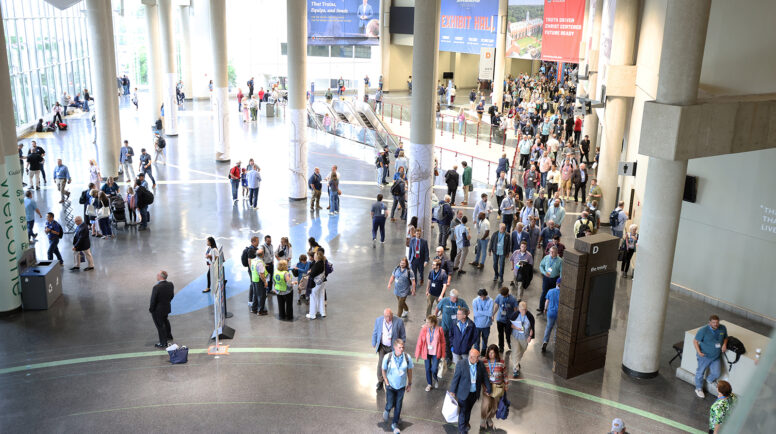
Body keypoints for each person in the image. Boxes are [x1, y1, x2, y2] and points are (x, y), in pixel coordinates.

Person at [449, 348, 492, 434]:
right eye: (477, 357)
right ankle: (462, 430)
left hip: (474, 393)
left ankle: (466, 423)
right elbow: (455, 378)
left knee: (468, 409)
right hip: (463, 393)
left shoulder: (480, 364)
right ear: (471, 357)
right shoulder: (461, 364)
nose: (479, 358)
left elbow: (485, 377)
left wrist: (489, 388)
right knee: (463, 411)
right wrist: (452, 391)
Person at [381, 338, 412, 434]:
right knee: (390, 403)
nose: (401, 349)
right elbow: (383, 369)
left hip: (401, 386)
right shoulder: (387, 357)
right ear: (394, 347)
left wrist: (409, 383)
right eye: (399, 347)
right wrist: (386, 381)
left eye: (403, 347)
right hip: (390, 386)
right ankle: (387, 409)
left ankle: (395, 424)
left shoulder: (407, 357)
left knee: (398, 405)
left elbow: (410, 371)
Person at [694, 315, 728, 398]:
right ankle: (698, 388)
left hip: (716, 356)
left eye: (717, 322)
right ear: (709, 323)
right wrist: (699, 352)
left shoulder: (722, 328)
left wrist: (724, 344)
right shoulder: (703, 330)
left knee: (717, 373)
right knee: (700, 373)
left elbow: (725, 337)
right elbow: (695, 341)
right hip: (704, 356)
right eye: (713, 322)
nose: (715, 324)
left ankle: (709, 380)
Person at [372, 308, 406, 391]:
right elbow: (375, 332)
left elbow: (403, 335)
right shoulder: (379, 320)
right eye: (387, 316)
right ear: (384, 316)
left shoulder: (399, 321)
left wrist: (401, 346)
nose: (389, 318)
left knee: (393, 365)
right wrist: (374, 342)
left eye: (390, 316)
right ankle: (380, 381)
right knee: (381, 363)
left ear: (392, 314)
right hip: (382, 346)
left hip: (393, 347)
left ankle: (391, 382)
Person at [436, 290, 469, 368]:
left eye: (457, 298)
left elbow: (468, 311)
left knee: (457, 341)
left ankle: (458, 354)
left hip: (457, 327)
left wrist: (463, 317)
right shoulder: (444, 301)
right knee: (446, 342)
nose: (456, 300)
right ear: (450, 297)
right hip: (445, 326)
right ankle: (448, 357)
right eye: (454, 298)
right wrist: (435, 316)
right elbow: (437, 308)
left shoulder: (461, 302)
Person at [480, 344, 509, 430]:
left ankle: (489, 418)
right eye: (489, 352)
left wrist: (506, 385)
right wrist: (484, 387)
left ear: (496, 353)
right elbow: (481, 376)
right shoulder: (484, 362)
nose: (490, 355)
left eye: (492, 353)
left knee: (494, 407)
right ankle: (483, 419)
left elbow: (505, 375)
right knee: (486, 404)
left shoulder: (501, 362)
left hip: (498, 387)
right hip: (487, 388)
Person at [415, 315, 446, 391]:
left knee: (434, 369)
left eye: (428, 322)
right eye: (426, 322)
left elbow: (443, 342)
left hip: (436, 352)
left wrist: (443, 355)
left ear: (433, 323)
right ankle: (429, 384)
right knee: (427, 368)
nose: (426, 324)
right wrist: (417, 354)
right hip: (427, 352)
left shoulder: (440, 329)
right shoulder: (424, 329)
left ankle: (435, 378)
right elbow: (420, 342)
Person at [509, 301, 535, 377]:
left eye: (525, 309)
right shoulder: (515, 315)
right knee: (515, 351)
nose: (524, 311)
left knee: (522, 351)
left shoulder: (530, 316)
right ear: (519, 309)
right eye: (522, 309)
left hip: (524, 337)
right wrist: (517, 328)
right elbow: (510, 325)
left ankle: (516, 361)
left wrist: (530, 337)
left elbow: (532, 328)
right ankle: (515, 369)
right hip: (515, 336)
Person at [149, 270, 174, 348]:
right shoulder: (170, 284)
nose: (156, 276)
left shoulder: (156, 287)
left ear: (160, 277)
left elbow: (153, 300)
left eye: (157, 275)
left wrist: (151, 309)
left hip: (158, 309)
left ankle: (163, 342)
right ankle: (169, 336)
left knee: (160, 325)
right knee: (165, 321)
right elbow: (171, 296)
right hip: (166, 307)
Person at [537, 246, 562, 316]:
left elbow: (562, 272)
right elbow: (541, 265)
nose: (551, 253)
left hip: (554, 279)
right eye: (550, 251)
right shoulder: (546, 257)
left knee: (552, 294)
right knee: (544, 292)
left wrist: (560, 281)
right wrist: (544, 272)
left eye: (553, 252)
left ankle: (549, 309)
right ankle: (541, 308)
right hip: (546, 278)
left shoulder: (560, 261)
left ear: (556, 253)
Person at [494, 286, 518, 353]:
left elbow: (515, 310)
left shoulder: (513, 299)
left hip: (508, 320)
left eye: (504, 295)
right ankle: (501, 347)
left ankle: (509, 344)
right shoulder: (499, 296)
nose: (503, 296)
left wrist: (515, 320)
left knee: (508, 334)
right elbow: (497, 305)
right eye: (502, 295)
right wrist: (493, 314)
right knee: (500, 334)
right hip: (500, 319)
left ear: (508, 293)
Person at [542, 278, 561, 353]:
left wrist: (545, 309)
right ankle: (556, 343)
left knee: (548, 327)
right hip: (559, 313)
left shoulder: (550, 291)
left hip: (551, 313)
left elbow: (547, 301)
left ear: (556, 283)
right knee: (557, 328)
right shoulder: (563, 293)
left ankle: (545, 342)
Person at [249, 247, 269, 315]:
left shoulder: (253, 260)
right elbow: (261, 274)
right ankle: (260, 311)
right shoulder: (260, 263)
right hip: (259, 281)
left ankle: (253, 309)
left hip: (254, 279)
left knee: (255, 295)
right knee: (261, 296)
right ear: (262, 254)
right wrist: (265, 282)